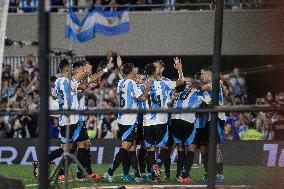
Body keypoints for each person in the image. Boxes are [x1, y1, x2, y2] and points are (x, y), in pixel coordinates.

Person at [104, 63, 150, 183]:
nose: (136, 70)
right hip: (129, 119)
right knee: (126, 147)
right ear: (131, 71)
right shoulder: (132, 83)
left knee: (132, 147)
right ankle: (110, 172)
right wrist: (147, 88)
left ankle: (137, 175)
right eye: (134, 68)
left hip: (121, 118)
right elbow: (143, 98)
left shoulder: (121, 83)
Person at [142, 58, 184, 182]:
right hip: (161, 120)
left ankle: (155, 175)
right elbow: (181, 81)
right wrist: (180, 70)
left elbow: (142, 98)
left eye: (157, 66)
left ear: (162, 69)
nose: (156, 68)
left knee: (151, 148)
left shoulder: (144, 84)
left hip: (148, 121)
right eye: (154, 67)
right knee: (165, 147)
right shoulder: (165, 84)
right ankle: (157, 167)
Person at [200, 67, 227, 183]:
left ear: (209, 75)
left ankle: (219, 174)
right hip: (208, 119)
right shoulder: (218, 83)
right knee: (204, 148)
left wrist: (197, 85)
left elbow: (205, 87)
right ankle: (207, 173)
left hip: (217, 118)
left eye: (202, 74)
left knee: (214, 147)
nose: (201, 76)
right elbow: (226, 93)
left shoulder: (213, 83)